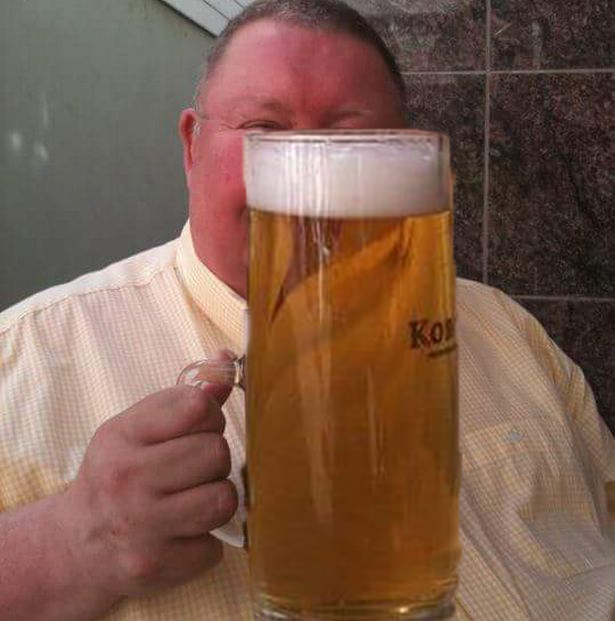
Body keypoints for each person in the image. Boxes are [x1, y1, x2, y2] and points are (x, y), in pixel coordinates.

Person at [0, 1, 613, 619]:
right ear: (192, 146)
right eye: (263, 128)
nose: (309, 177)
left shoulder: (503, 328)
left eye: (350, 138)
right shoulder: (25, 356)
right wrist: (69, 542)